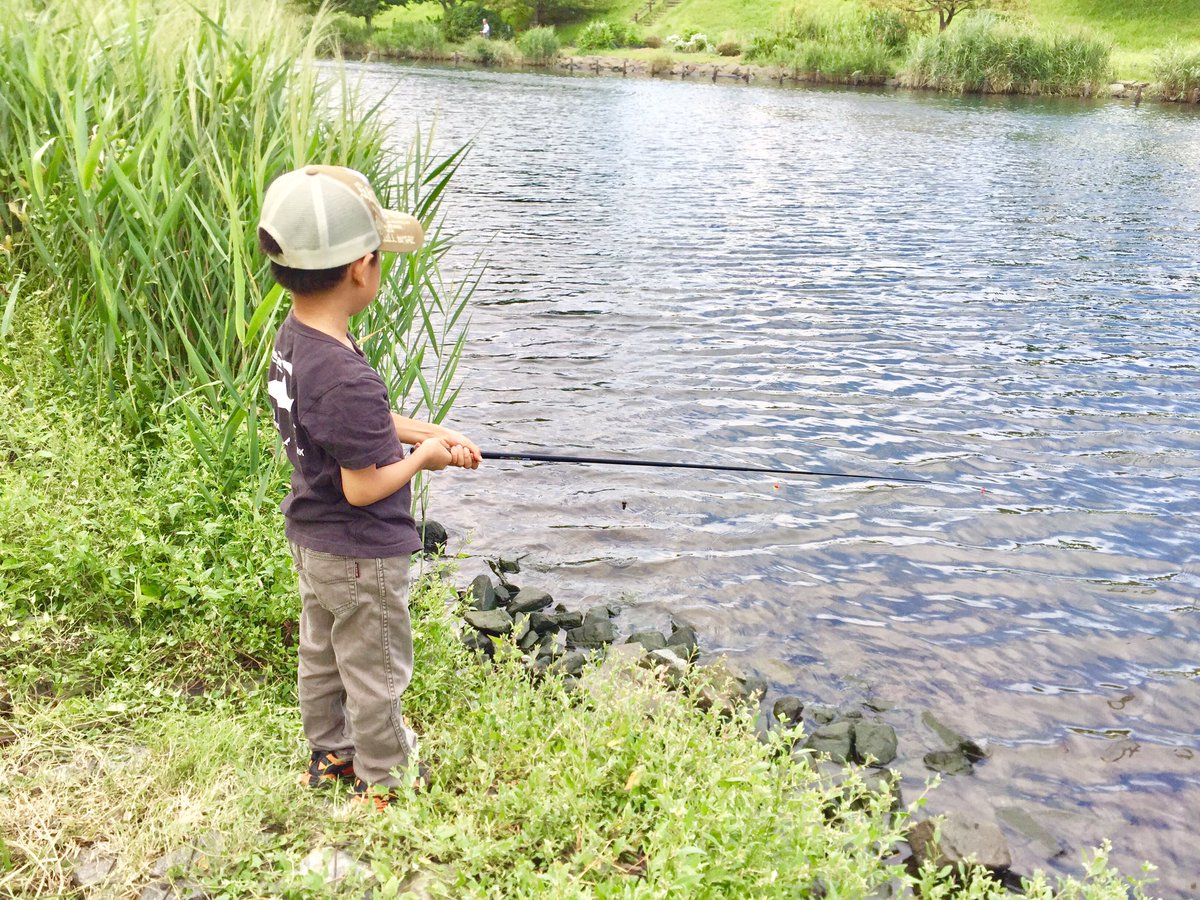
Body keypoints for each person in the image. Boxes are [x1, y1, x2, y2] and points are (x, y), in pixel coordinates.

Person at [258, 164, 481, 810]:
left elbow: (357, 429)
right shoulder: (348, 376)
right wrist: (423, 461)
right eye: (381, 257)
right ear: (361, 269)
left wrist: (428, 431)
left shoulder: (298, 340)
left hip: (315, 541)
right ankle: (386, 783)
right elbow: (364, 486)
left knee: (322, 657)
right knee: (376, 670)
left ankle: (330, 754)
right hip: (360, 551)